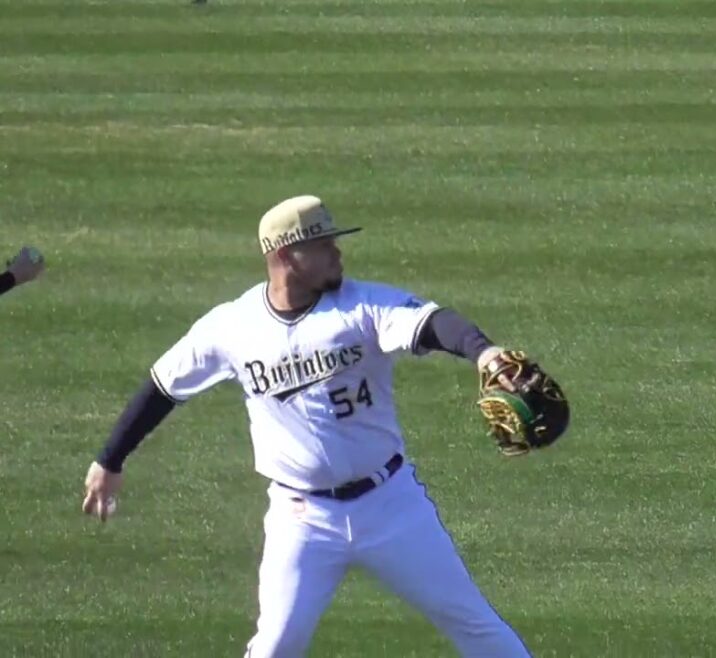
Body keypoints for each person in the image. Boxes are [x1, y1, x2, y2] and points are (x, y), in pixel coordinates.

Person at [81, 195, 534, 657]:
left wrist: (484, 351)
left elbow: (434, 323)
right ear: (284, 256)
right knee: (276, 645)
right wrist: (109, 459)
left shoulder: (362, 306)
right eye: (322, 245)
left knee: (475, 624)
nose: (337, 253)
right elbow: (162, 386)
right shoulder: (232, 326)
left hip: (392, 506)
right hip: (303, 520)